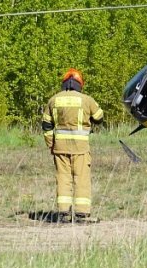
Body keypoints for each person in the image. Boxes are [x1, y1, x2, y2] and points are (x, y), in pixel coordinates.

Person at [42, 68, 104, 222]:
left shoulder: (53, 100)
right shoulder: (86, 99)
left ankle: (63, 213)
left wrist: (51, 144)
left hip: (60, 148)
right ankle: (82, 214)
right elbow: (99, 116)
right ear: (80, 84)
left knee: (63, 178)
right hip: (80, 148)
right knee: (81, 178)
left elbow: (46, 126)